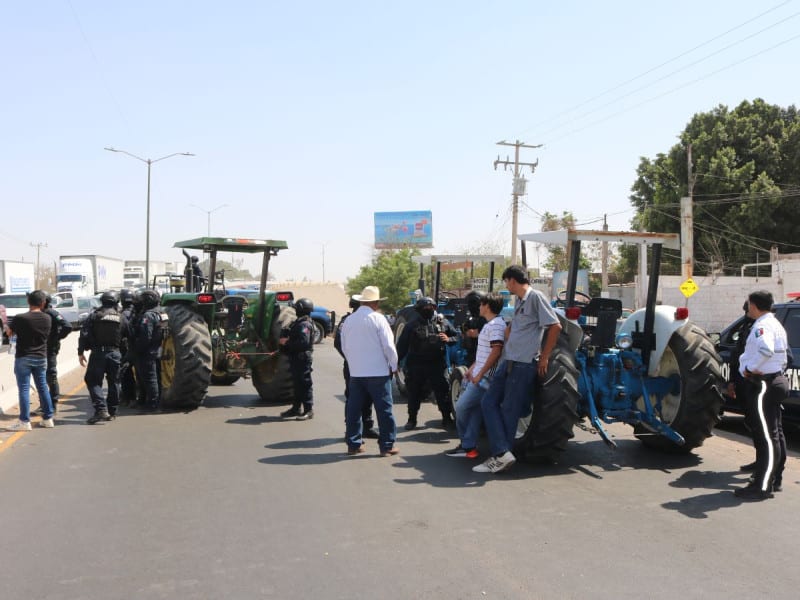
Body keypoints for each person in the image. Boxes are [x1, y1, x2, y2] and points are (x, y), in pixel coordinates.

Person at [474, 265, 562, 474]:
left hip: (523, 363)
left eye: (506, 282)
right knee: (488, 402)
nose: (506, 286)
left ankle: (501, 454)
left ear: (512, 281)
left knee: (509, 410)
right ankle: (502, 452)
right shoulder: (520, 301)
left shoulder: (535, 297)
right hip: (509, 360)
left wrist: (545, 357)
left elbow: (555, 325)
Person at [734, 290, 789, 500]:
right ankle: (771, 480)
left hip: (764, 383)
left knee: (767, 437)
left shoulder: (762, 326)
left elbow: (766, 351)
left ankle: (762, 486)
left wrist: (750, 369)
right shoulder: (775, 324)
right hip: (775, 380)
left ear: (755, 305)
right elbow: (780, 354)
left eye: (748, 304)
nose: (747, 308)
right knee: (775, 434)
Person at [341, 285, 399, 457]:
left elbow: (345, 347)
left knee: (354, 409)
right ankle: (387, 446)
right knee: (384, 410)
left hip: (357, 373)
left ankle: (353, 444)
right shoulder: (378, 319)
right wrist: (394, 366)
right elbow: (389, 346)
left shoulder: (349, 320)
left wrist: (354, 364)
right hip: (378, 372)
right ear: (375, 302)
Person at [446, 292, 506, 459]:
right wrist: (473, 367)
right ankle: (469, 447)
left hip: (485, 379)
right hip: (479, 374)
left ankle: (466, 444)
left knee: (461, 407)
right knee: (474, 412)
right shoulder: (491, 324)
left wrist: (480, 374)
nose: (479, 307)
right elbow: (484, 353)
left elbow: (496, 351)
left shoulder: (494, 325)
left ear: (487, 306)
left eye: (481, 304)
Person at [396, 296, 459, 430]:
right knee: (414, 393)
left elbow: (457, 337)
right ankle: (412, 419)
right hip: (416, 364)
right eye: (425, 307)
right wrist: (395, 363)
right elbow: (402, 346)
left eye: (431, 307)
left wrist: (448, 338)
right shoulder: (411, 325)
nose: (428, 310)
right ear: (419, 310)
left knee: (442, 392)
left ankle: (446, 418)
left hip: (436, 363)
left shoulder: (443, 323)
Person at [2, 290, 56, 431]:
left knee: (24, 389)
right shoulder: (47, 318)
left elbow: (9, 333)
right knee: (43, 387)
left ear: (28, 302)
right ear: (43, 303)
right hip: (41, 357)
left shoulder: (21, 318)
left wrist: (7, 326)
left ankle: (25, 422)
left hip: (23, 357)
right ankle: (48, 418)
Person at [79, 291, 127, 424]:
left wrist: (81, 352)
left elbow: (84, 334)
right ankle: (111, 412)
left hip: (98, 354)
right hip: (115, 354)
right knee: (114, 382)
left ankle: (101, 409)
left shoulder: (95, 315)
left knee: (92, 381)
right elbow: (129, 334)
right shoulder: (121, 317)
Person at [334, 297, 378, 438]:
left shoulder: (369, 318)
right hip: (352, 366)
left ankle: (367, 427)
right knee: (353, 398)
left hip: (367, 365)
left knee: (368, 397)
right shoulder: (347, 320)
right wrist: (351, 358)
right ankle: (351, 430)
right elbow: (338, 343)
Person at [279, 298, 315, 420]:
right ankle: (296, 408)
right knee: (297, 384)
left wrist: (287, 343)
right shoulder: (299, 322)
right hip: (297, 357)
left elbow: (303, 342)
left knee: (304, 384)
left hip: (302, 357)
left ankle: (308, 410)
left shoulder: (305, 324)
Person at [129, 289, 164, 413]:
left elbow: (145, 336)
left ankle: (152, 405)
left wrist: (137, 349)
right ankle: (153, 402)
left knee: (150, 379)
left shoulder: (148, 315)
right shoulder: (160, 313)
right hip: (156, 350)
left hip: (147, 352)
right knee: (155, 378)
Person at [43, 294, 73, 414]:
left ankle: (53, 403)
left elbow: (68, 326)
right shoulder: (39, 312)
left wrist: (57, 338)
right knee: (42, 378)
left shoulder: (51, 312)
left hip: (50, 349)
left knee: (51, 375)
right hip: (40, 350)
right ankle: (44, 404)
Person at [117, 288, 138, 406]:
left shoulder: (122, 315)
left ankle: (128, 397)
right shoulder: (139, 312)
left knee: (126, 373)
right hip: (139, 346)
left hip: (125, 346)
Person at [460, 290, 488, 367]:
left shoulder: (485, 319)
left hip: (481, 356)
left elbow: (475, 333)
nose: (471, 306)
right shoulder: (471, 319)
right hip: (472, 354)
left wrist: (472, 333)